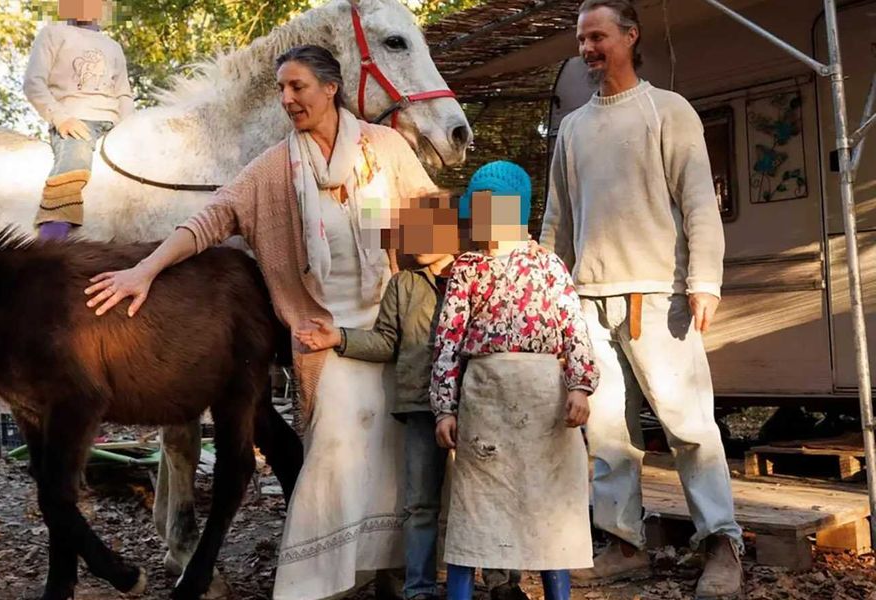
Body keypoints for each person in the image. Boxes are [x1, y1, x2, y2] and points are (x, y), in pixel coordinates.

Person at [83, 44, 438, 600]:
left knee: (392, 451)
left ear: (330, 88)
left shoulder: (384, 147)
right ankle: (325, 580)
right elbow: (210, 219)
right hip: (322, 331)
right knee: (336, 446)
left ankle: (385, 569)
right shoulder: (276, 168)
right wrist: (144, 271)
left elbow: (430, 219)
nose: (287, 99)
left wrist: (479, 282)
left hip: (391, 324)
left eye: (297, 86)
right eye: (281, 89)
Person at [540, 1, 743, 597]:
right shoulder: (573, 128)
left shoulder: (667, 111)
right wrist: (552, 294)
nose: (588, 49)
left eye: (598, 36)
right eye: (582, 40)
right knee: (606, 432)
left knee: (688, 426)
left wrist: (705, 280)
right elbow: (557, 221)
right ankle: (625, 542)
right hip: (588, 301)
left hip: (659, 296)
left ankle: (722, 544)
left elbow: (700, 203)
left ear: (630, 36)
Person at [294, 191, 526, 600]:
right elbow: (387, 342)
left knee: (488, 494)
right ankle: (420, 588)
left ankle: (501, 582)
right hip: (421, 405)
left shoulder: (480, 275)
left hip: (478, 402)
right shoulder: (403, 285)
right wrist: (339, 338)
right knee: (420, 503)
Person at [432, 160, 596, 600]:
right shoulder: (467, 268)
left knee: (547, 501)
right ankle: (462, 592)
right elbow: (448, 339)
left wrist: (580, 385)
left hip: (544, 401)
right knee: (476, 504)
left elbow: (573, 328)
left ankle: (556, 593)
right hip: (485, 398)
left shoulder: (549, 266)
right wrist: (444, 408)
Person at [23, 0, 135, 239]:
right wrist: (61, 118)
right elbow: (34, 83)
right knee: (75, 161)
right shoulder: (53, 34)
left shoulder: (112, 46)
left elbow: (123, 93)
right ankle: (50, 241)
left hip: (113, 125)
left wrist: (128, 129)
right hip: (76, 122)